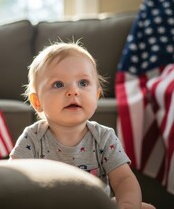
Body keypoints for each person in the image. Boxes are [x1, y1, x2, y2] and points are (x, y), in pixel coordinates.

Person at [9, 41, 155, 209]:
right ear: (37, 101)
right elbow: (13, 177)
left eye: (83, 83)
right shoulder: (33, 137)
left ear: (97, 94)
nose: (73, 91)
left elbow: (123, 179)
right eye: (58, 84)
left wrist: (128, 205)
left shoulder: (103, 137)